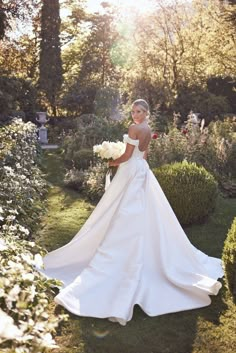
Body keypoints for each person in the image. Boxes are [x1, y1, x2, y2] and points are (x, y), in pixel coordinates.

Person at [42, 99, 223, 326]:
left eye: (139, 111)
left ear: (145, 112)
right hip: (142, 171)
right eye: (133, 111)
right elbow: (143, 156)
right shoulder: (148, 129)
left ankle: (122, 251)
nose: (135, 114)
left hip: (130, 170)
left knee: (122, 209)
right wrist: (131, 164)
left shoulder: (134, 128)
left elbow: (128, 156)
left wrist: (111, 162)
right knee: (142, 209)